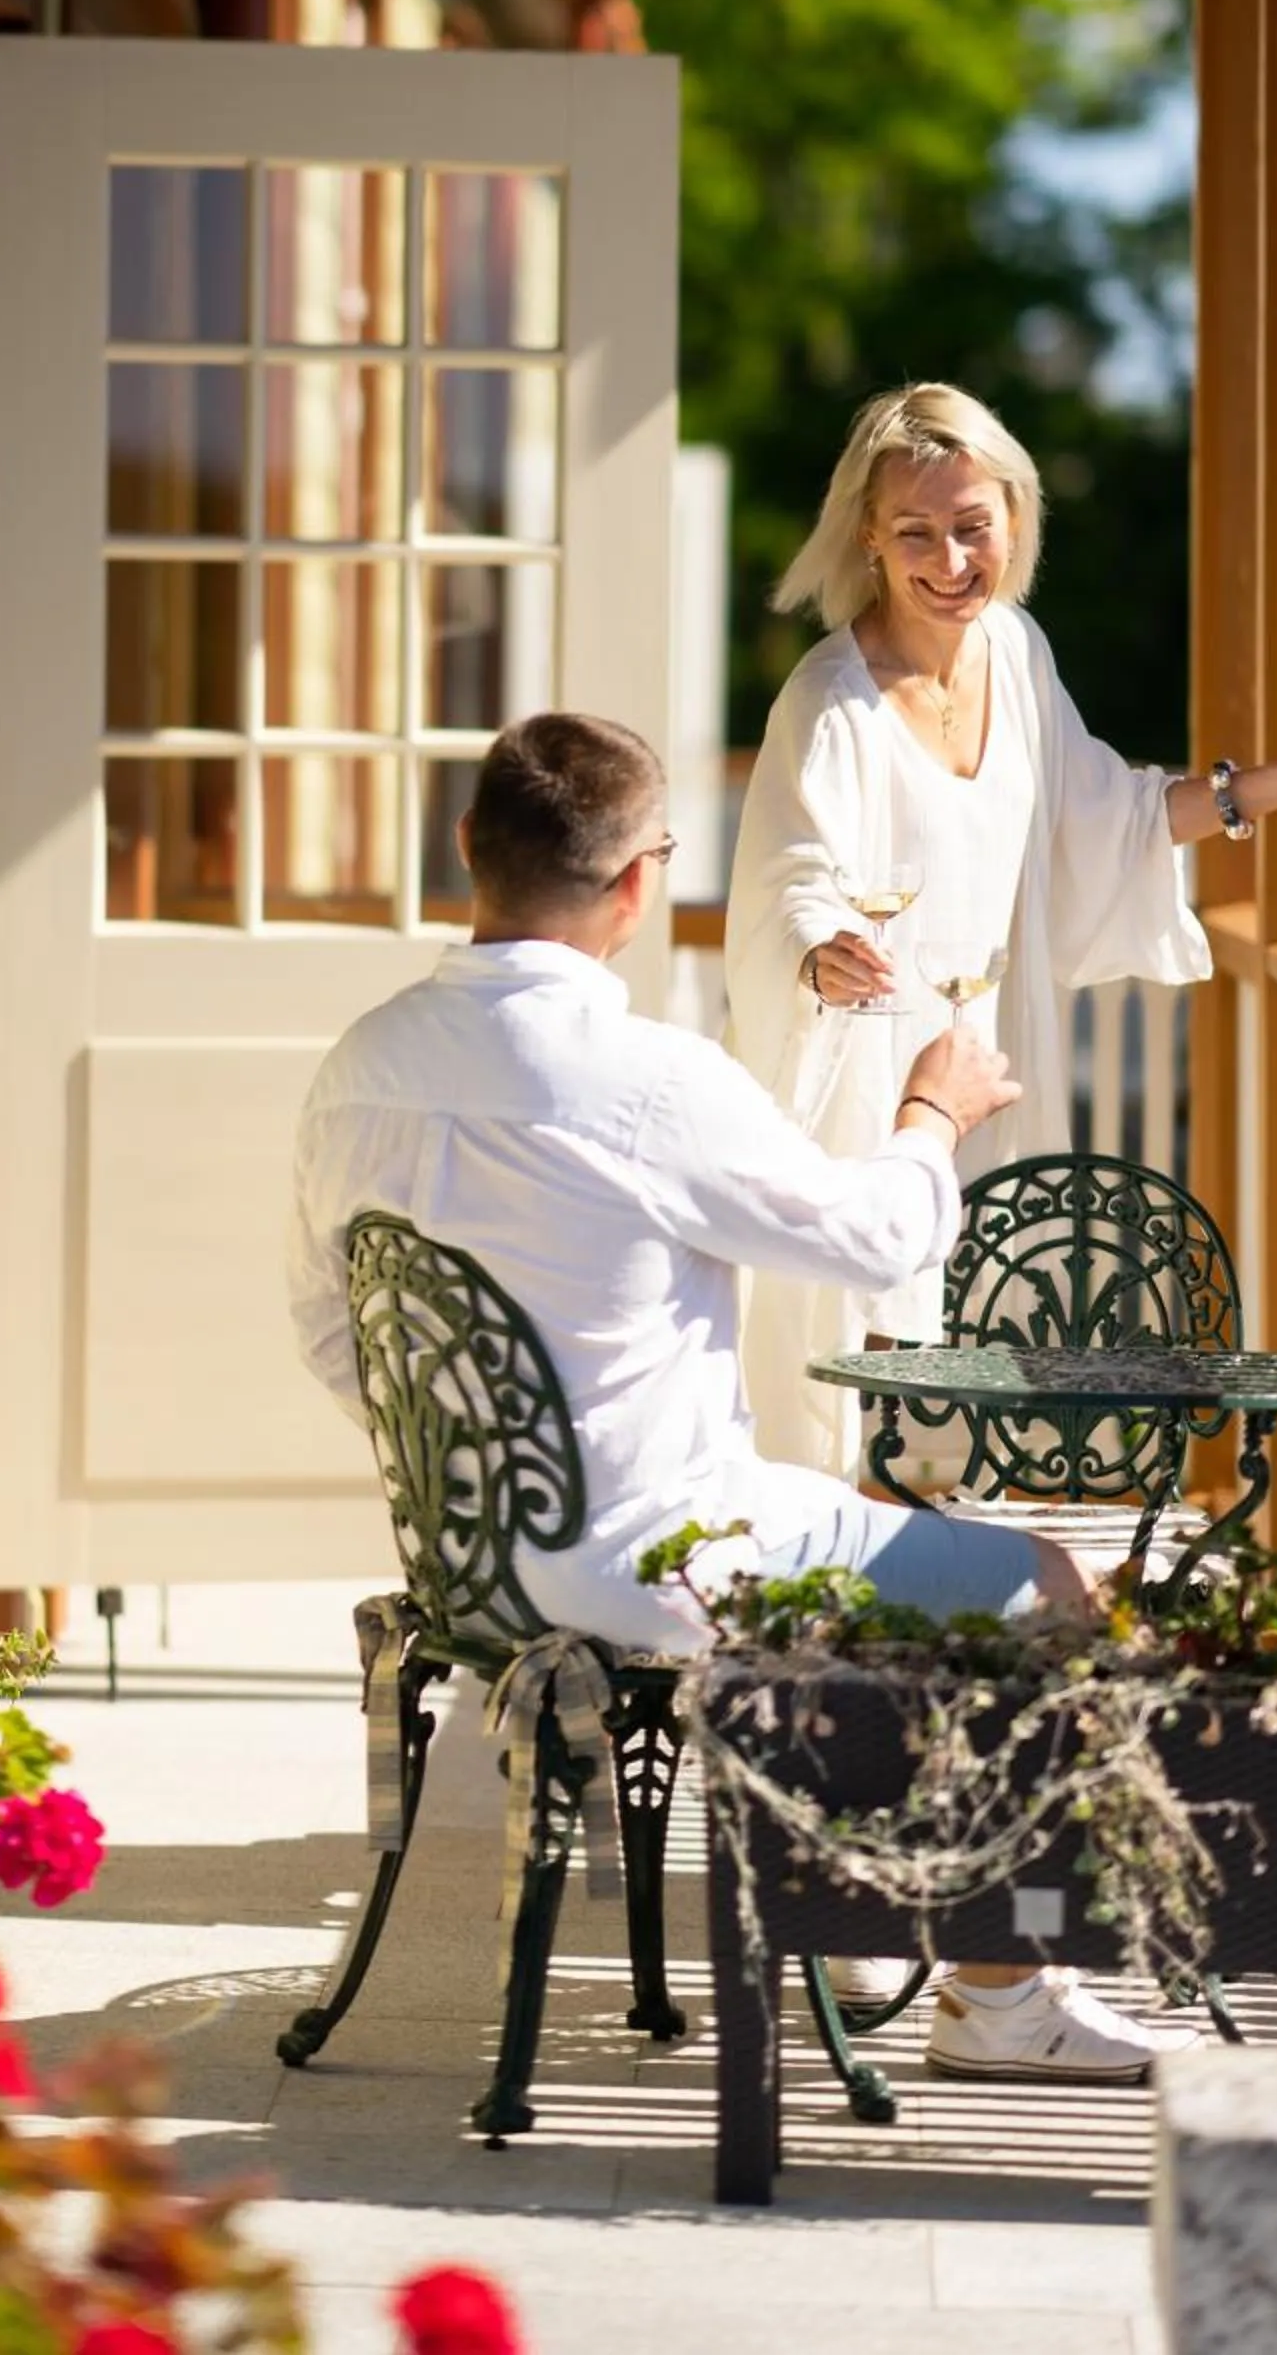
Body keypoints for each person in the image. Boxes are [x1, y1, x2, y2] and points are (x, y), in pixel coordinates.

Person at [290, 711, 1196, 2081]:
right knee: (1050, 1581)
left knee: (860, 1527)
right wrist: (935, 1114)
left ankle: (863, 1914)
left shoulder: (359, 1064)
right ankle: (1003, 1996)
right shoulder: (651, 1084)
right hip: (665, 1562)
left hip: (465, 1566)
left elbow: (327, 1329)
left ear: (470, 846)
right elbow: (877, 1239)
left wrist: (474, 1470)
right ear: (641, 884)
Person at [726, 382, 1277, 1471]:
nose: (950, 561)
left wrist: (1273, 786)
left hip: (995, 1067)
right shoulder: (826, 704)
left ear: (1013, 514)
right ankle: (853, 1594)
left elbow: (1103, 815)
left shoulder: (1015, 649)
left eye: (972, 527)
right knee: (874, 1370)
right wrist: (818, 946)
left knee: (991, 1340)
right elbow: (787, 876)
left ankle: (960, 1602)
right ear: (866, 533)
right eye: (915, 532)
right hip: (872, 1080)